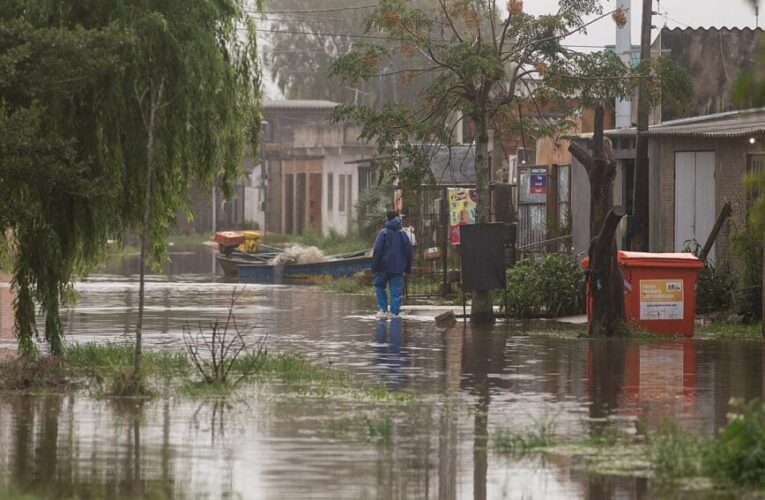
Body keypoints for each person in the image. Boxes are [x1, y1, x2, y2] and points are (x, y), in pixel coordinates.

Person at [372, 210, 412, 320]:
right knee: (395, 291)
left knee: (379, 286)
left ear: (388, 219)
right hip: (398, 269)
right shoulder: (403, 234)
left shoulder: (383, 233)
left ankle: (383, 310)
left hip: (383, 267)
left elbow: (378, 250)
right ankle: (394, 313)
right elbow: (409, 252)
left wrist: (374, 267)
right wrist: (407, 269)